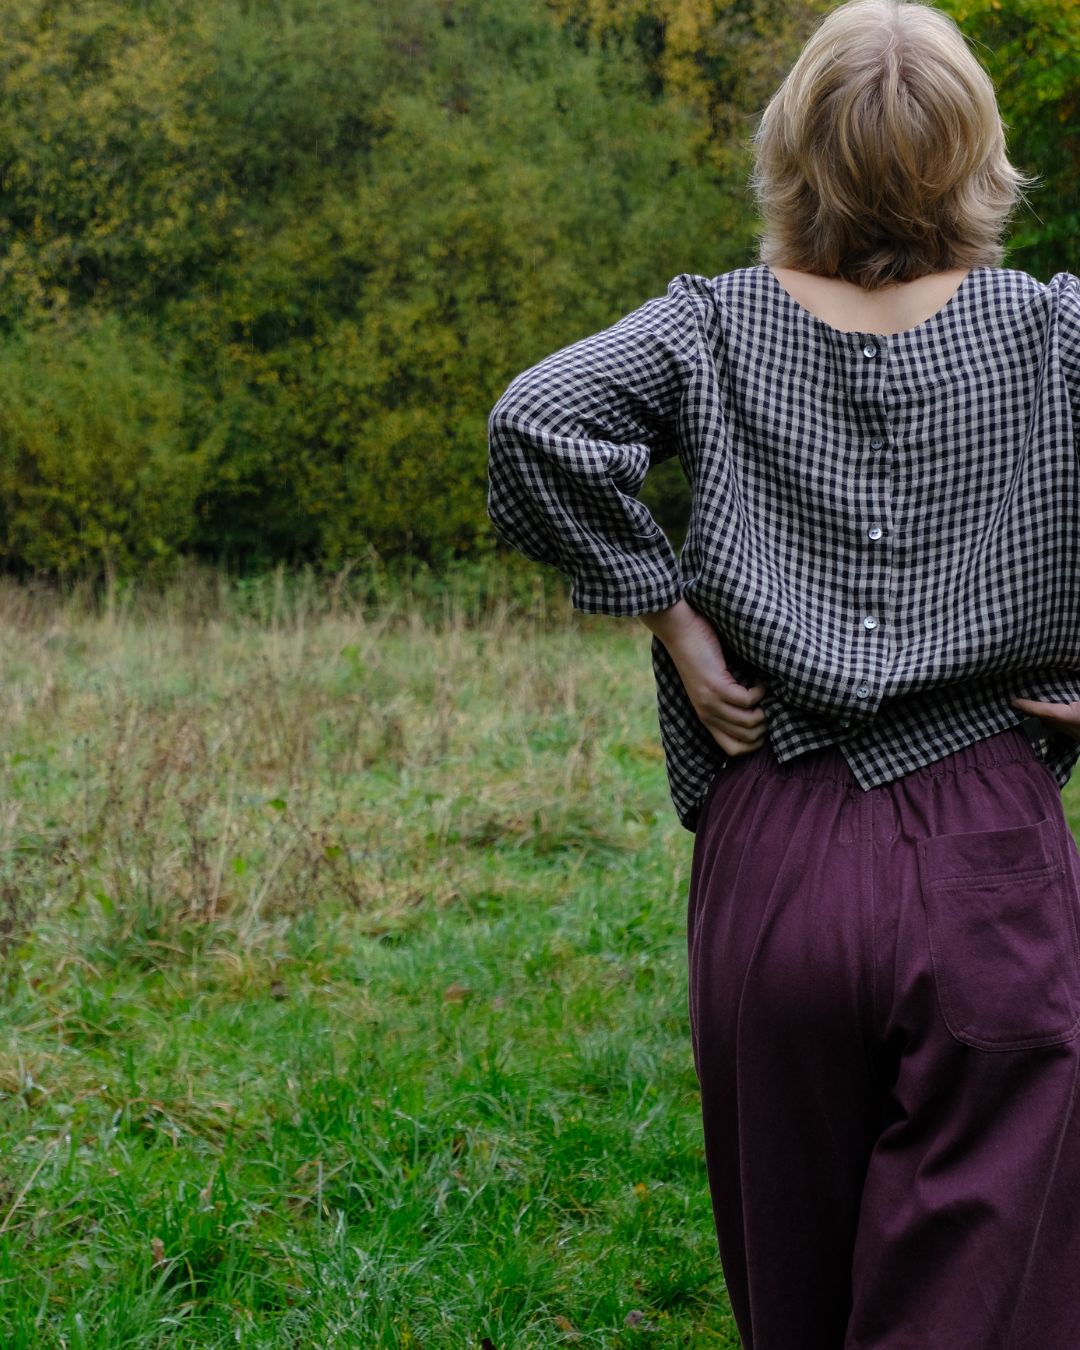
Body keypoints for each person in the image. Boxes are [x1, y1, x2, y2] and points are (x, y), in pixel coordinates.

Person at [486, 0, 1080, 1344]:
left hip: (777, 836)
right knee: (983, 1306)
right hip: (989, 837)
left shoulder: (712, 325)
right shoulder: (1056, 335)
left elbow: (535, 417)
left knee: (793, 1293)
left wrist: (674, 620)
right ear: (979, 159)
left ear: (790, 154)